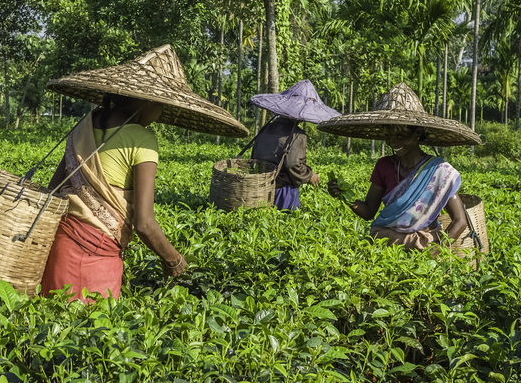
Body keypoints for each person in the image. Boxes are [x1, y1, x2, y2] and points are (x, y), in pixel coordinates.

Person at [41, 45, 248, 301]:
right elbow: (145, 223)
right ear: (148, 100)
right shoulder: (143, 139)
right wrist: (174, 260)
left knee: (53, 326)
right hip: (96, 254)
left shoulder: (82, 128)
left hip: (59, 246)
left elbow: (53, 192)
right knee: (92, 332)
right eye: (161, 106)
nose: (160, 114)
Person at [319, 83, 482, 254]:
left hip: (424, 245)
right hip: (387, 244)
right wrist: (343, 195)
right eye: (388, 136)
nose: (392, 142)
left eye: (400, 136)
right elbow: (368, 211)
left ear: (417, 132)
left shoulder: (439, 170)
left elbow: (459, 221)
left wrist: (437, 250)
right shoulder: (384, 166)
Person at [249, 80, 338, 211]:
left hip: (260, 188)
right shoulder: (297, 134)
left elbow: (254, 157)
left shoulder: (266, 128)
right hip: (284, 192)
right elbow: (293, 165)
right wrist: (309, 176)